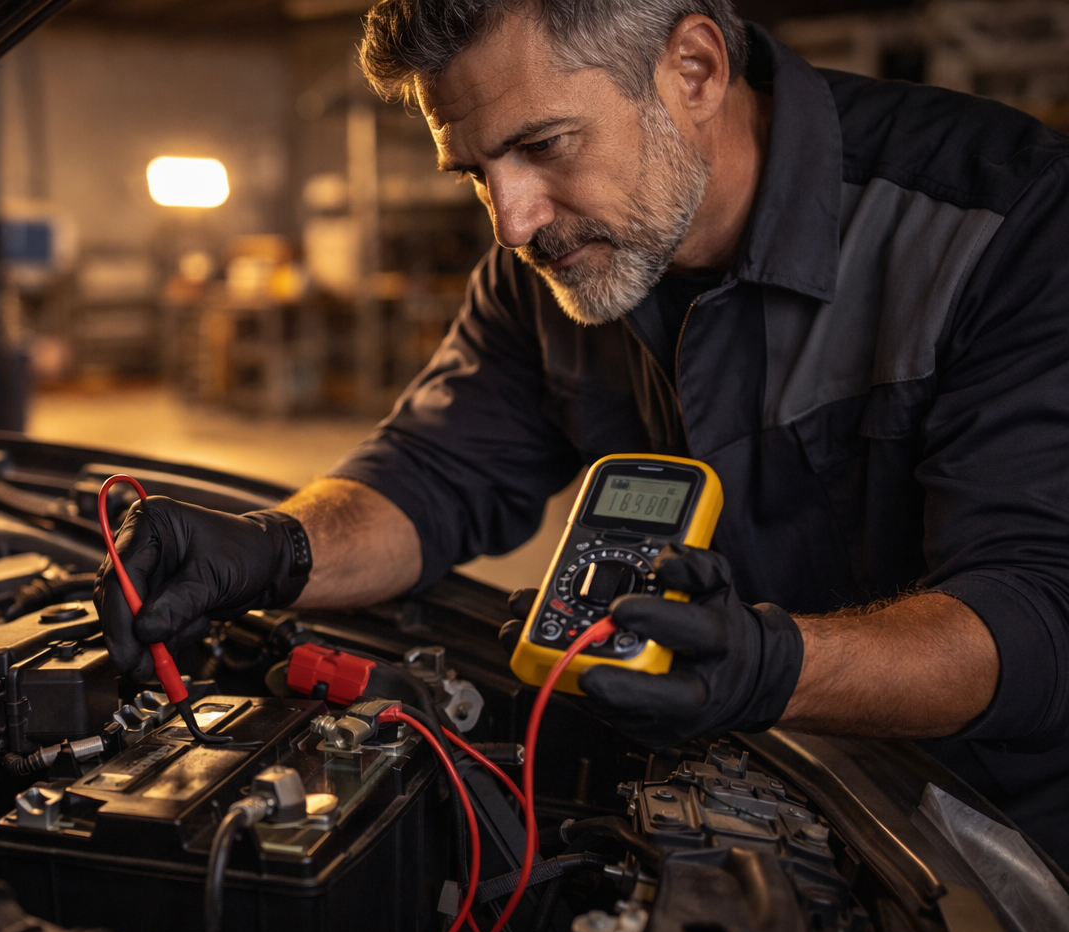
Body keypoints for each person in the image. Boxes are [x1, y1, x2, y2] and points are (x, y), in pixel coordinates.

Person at [95, 0, 1069, 865]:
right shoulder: (555, 265)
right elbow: (432, 474)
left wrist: (773, 667)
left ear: (693, 69)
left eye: (546, 144)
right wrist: (275, 546)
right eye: (478, 172)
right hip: (716, 820)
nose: (512, 223)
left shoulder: (1001, 224)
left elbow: (1034, 613)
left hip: (984, 853)